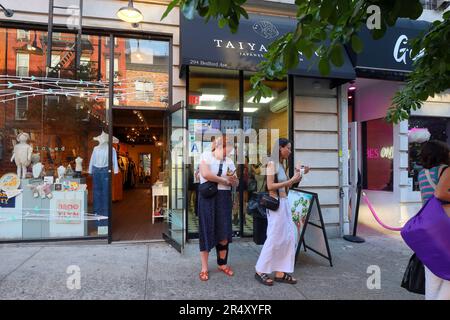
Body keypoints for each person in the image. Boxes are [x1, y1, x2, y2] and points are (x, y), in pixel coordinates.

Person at [254, 138, 310, 286]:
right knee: (273, 238)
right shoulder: (272, 164)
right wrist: (291, 181)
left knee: (287, 238)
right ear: (280, 148)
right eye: (288, 148)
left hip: (284, 203)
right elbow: (270, 185)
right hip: (276, 205)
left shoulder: (281, 164)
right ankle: (260, 270)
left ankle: (280, 271)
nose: (290, 152)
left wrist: (300, 174)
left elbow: (286, 187)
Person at [198, 136, 239, 281]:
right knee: (206, 230)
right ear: (220, 147)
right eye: (227, 150)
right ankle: (204, 268)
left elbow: (236, 180)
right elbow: (205, 174)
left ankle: (222, 264)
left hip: (224, 198)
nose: (228, 154)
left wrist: (233, 181)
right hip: (208, 197)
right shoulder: (206, 155)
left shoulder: (229, 161)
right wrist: (224, 180)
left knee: (224, 231)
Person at [417, 140, 450, 300]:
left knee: (432, 273)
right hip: (445, 226)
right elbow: (440, 194)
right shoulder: (446, 170)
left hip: (428, 226)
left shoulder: (422, 173)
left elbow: (425, 199)